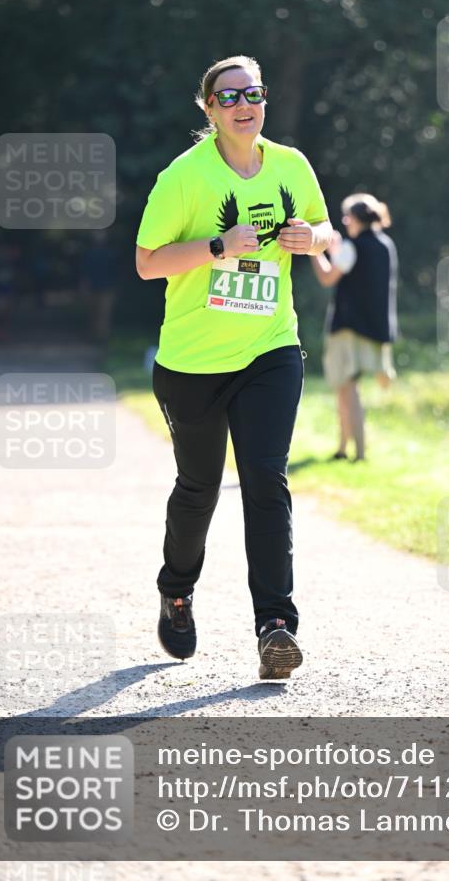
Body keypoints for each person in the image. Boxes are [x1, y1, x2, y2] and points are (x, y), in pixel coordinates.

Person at [135, 54, 332, 679]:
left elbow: (323, 226)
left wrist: (314, 239)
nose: (244, 104)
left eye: (254, 92)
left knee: (265, 481)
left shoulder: (291, 165)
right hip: (192, 362)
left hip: (270, 347)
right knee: (197, 489)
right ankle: (177, 590)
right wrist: (218, 245)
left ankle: (276, 626)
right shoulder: (183, 178)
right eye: (229, 97)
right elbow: (147, 262)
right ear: (209, 109)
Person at [309, 193, 398, 462]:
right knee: (349, 390)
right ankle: (342, 447)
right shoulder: (386, 245)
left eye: (347, 216)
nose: (345, 221)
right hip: (376, 328)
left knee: (346, 390)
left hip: (348, 328)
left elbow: (327, 277)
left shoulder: (353, 246)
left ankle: (357, 453)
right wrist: (337, 251)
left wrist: (314, 251)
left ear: (356, 218)